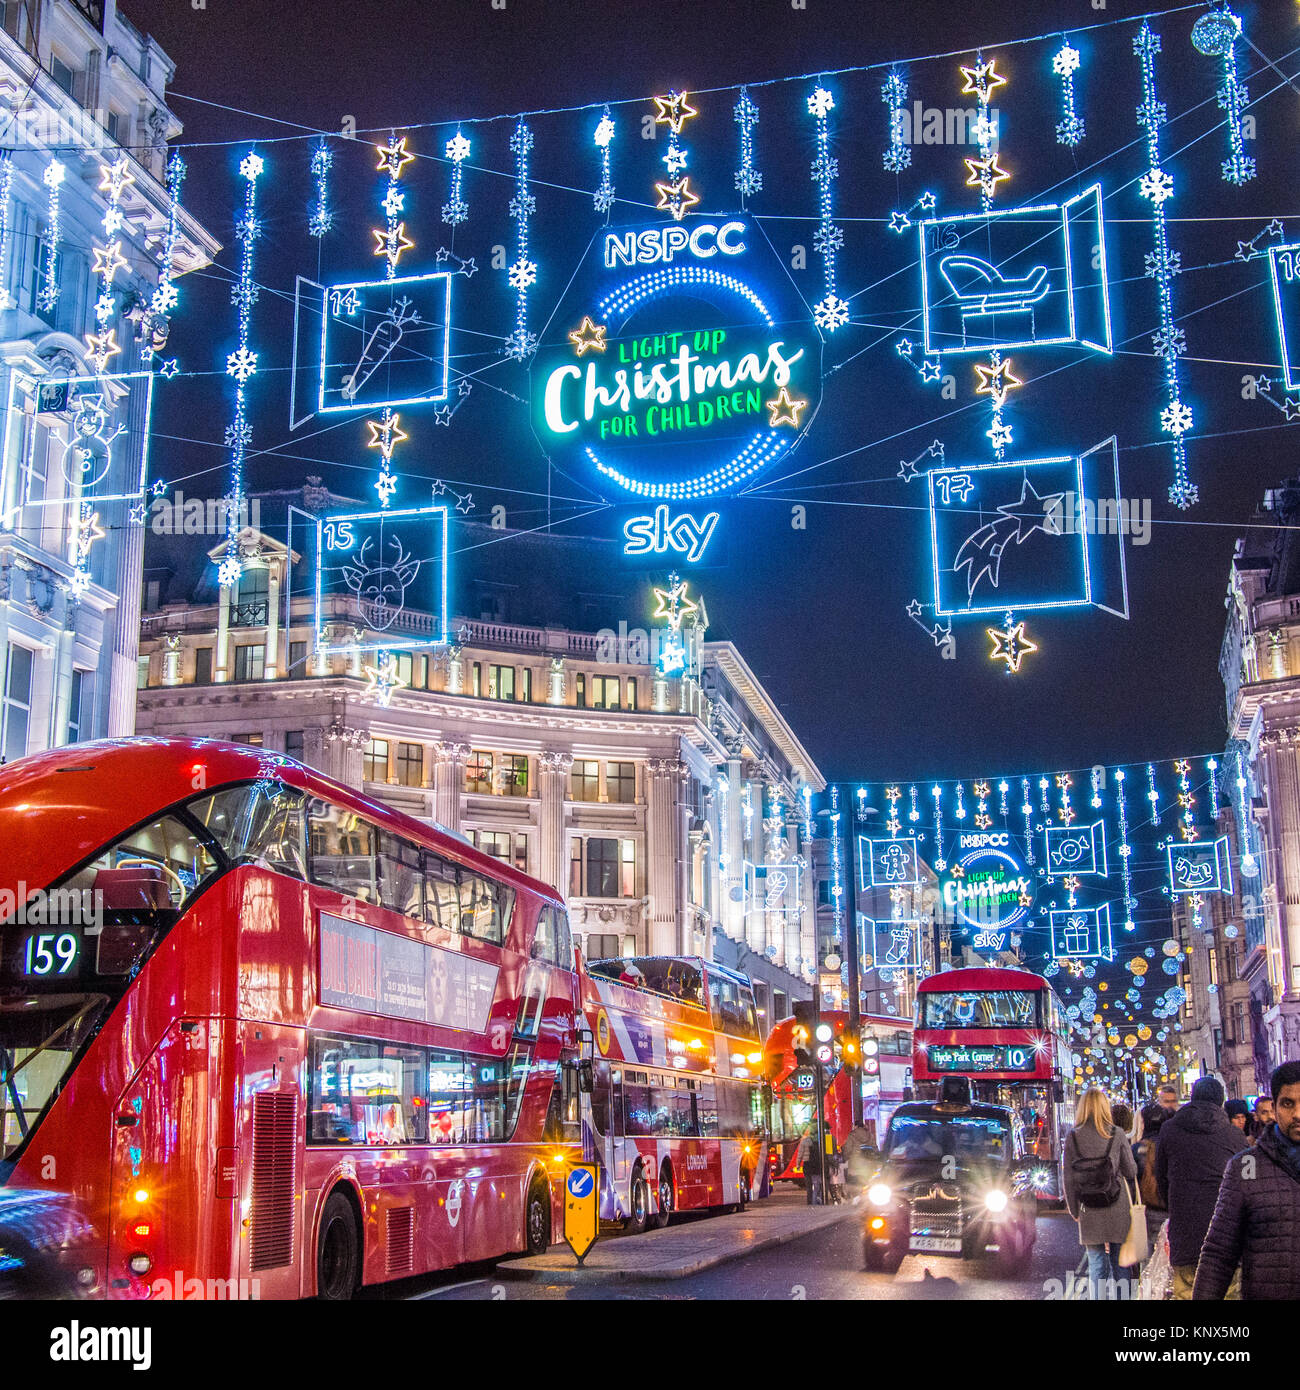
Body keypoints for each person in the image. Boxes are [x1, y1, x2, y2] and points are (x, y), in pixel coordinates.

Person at [1195, 1061, 1300, 1301]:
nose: (1297, 1114)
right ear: (1274, 1107)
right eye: (1288, 1103)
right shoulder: (1246, 1167)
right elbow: (1219, 1253)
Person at [1154, 1075, 1249, 1299]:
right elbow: (1248, 1186)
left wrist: (1175, 1207)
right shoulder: (1235, 1136)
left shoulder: (1169, 1130)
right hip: (1227, 1239)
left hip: (1185, 1234)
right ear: (1221, 1102)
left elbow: (1161, 1179)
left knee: (1187, 1292)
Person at [1064, 1086, 1139, 1299]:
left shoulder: (1073, 1137)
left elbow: (1068, 1178)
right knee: (1120, 1264)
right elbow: (1131, 1171)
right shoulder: (1116, 1134)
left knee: (1096, 1265)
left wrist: (1074, 1208)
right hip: (1117, 1206)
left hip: (1089, 1207)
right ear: (1104, 1107)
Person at [842, 1121, 877, 1191]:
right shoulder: (870, 1135)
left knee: (856, 1186)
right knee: (867, 1186)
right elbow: (875, 1149)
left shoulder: (852, 1135)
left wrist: (845, 1158)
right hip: (869, 1165)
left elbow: (848, 1149)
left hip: (856, 1165)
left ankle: (857, 1199)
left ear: (856, 1126)